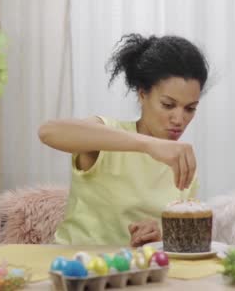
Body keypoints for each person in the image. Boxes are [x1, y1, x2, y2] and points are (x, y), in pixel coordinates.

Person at [38, 33, 209, 247]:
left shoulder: (181, 159)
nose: (179, 119)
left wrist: (158, 236)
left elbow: (182, 240)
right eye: (167, 105)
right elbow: (48, 131)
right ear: (142, 94)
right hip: (79, 266)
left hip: (140, 270)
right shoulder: (109, 135)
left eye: (190, 108)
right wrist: (148, 145)